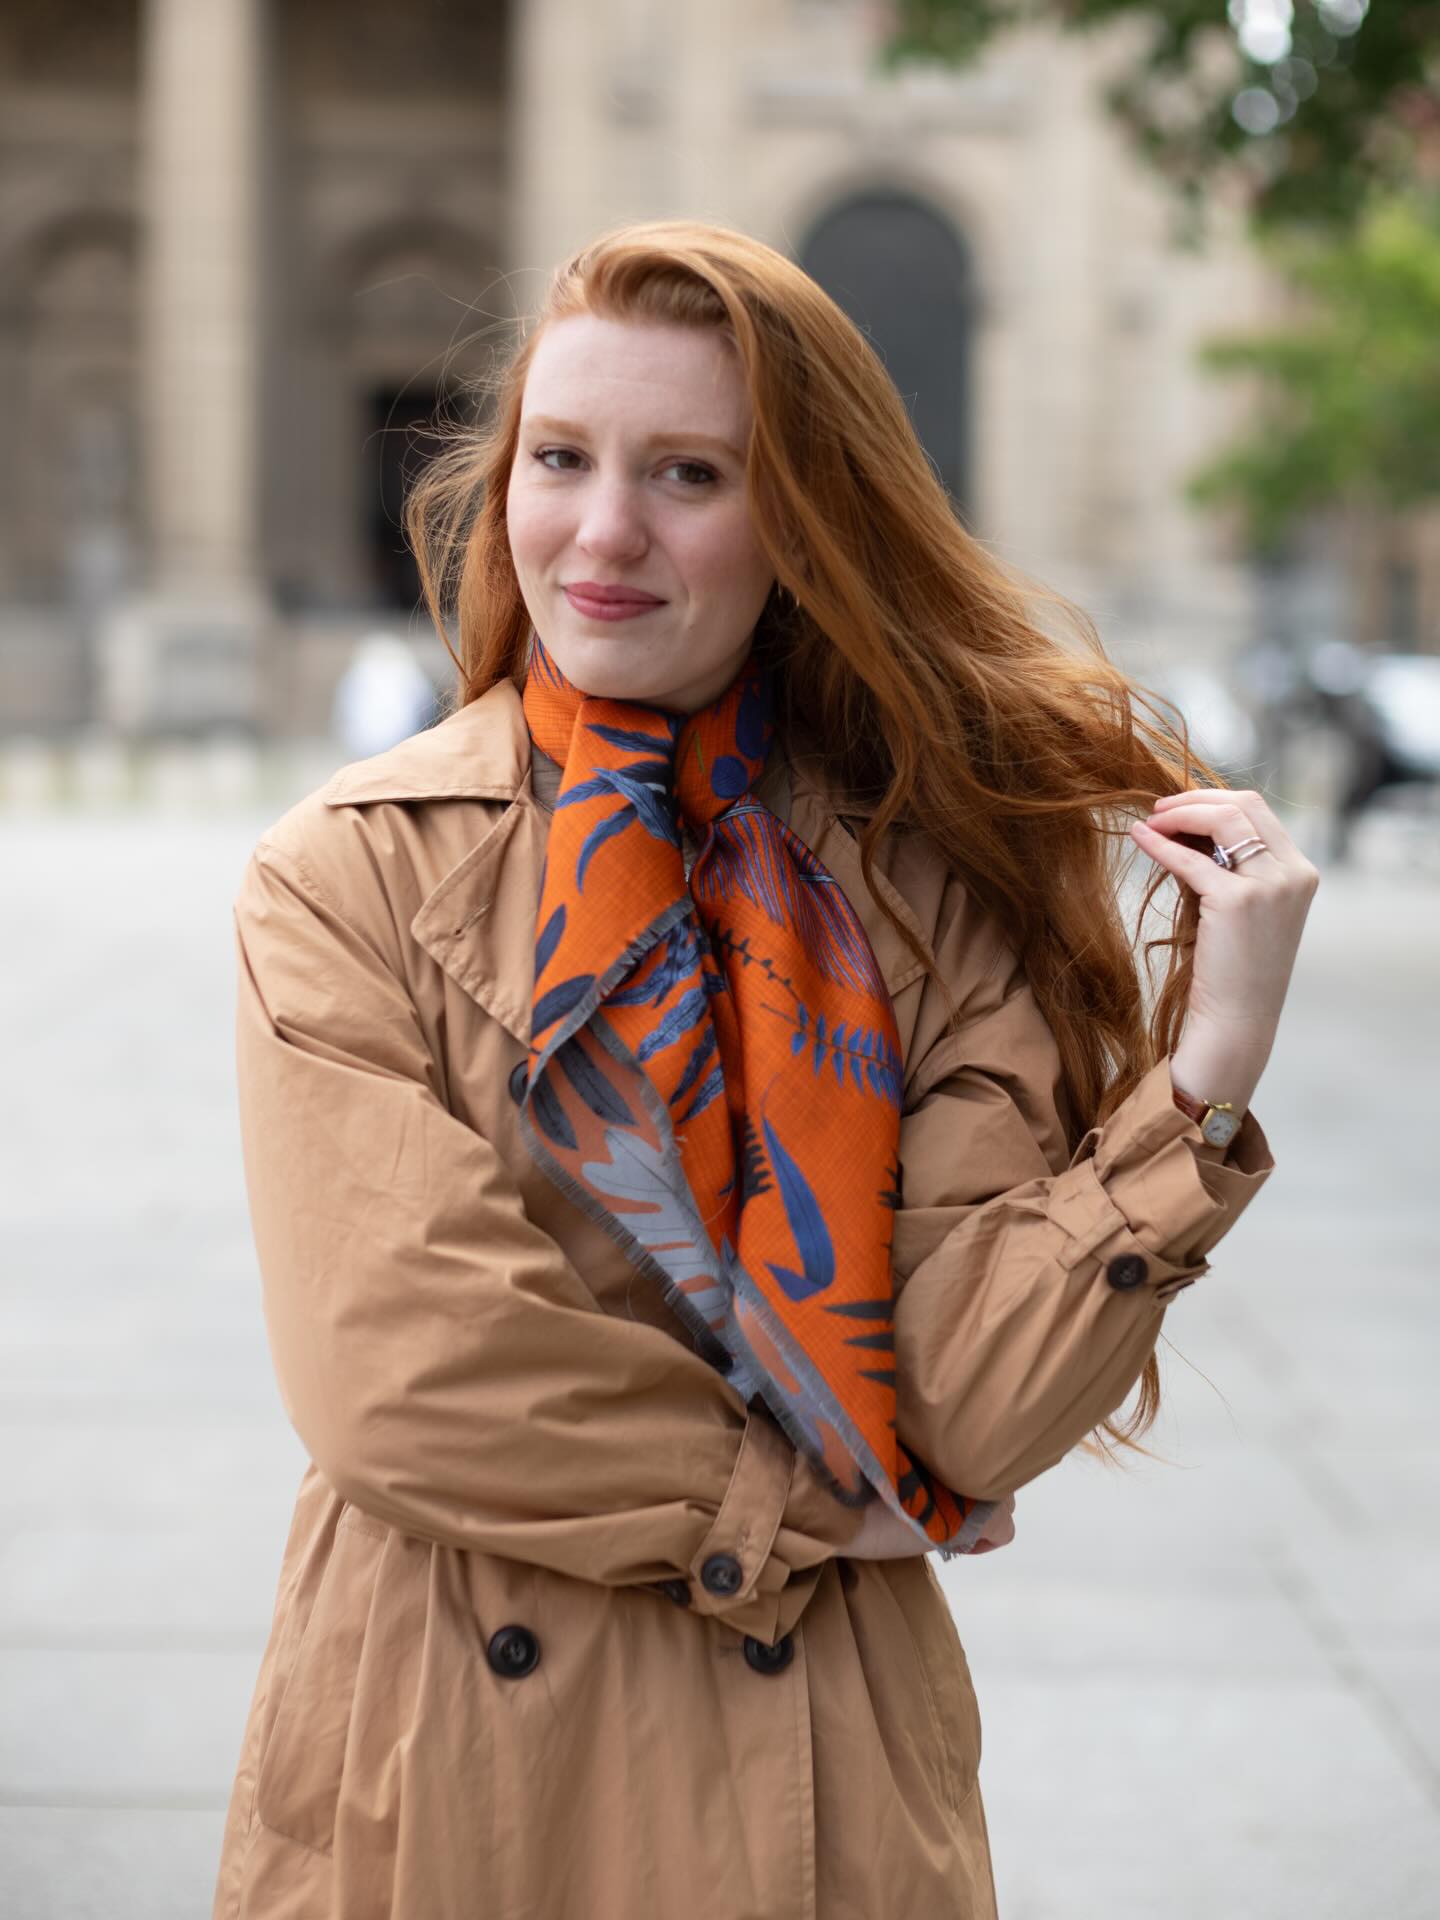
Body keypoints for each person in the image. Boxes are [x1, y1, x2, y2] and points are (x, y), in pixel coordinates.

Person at [212, 219, 1313, 1919]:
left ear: (798, 521)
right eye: (562, 458)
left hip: (828, 1783)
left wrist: (1204, 1084)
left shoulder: (924, 893)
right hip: (463, 1766)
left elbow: (964, 1409)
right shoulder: (349, 876)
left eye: (689, 474)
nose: (603, 533)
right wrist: (820, 1507)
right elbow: (406, 1369)